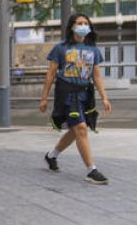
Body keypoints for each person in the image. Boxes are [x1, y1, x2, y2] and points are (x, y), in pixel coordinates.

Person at [39, 13, 112, 185]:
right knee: (80, 128)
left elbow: (96, 75)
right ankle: (91, 170)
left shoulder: (93, 49)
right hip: (67, 93)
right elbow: (50, 74)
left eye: (86, 23)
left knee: (76, 130)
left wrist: (104, 97)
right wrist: (44, 98)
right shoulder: (61, 48)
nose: (83, 26)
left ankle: (51, 156)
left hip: (85, 94)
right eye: (79, 23)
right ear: (72, 26)